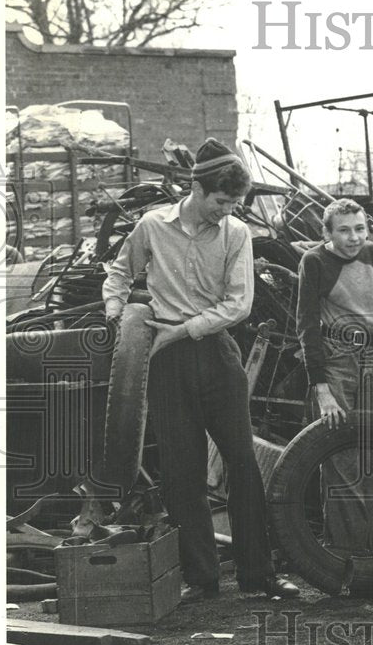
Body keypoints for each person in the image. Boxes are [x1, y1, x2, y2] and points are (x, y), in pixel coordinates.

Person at [102, 138, 299, 603]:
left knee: (243, 463)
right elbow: (118, 272)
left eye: (234, 203)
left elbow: (239, 304)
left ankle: (259, 575)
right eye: (221, 201)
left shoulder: (235, 234)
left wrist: (182, 330)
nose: (227, 210)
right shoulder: (152, 226)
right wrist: (118, 316)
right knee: (181, 470)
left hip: (215, 353)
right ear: (196, 188)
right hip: (167, 362)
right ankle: (201, 578)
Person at [295, 198, 373, 553]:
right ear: (327, 233)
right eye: (344, 230)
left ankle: (368, 553)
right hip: (337, 361)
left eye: (360, 229)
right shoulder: (314, 262)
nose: (353, 238)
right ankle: (346, 558)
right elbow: (306, 326)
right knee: (342, 460)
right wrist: (322, 389)